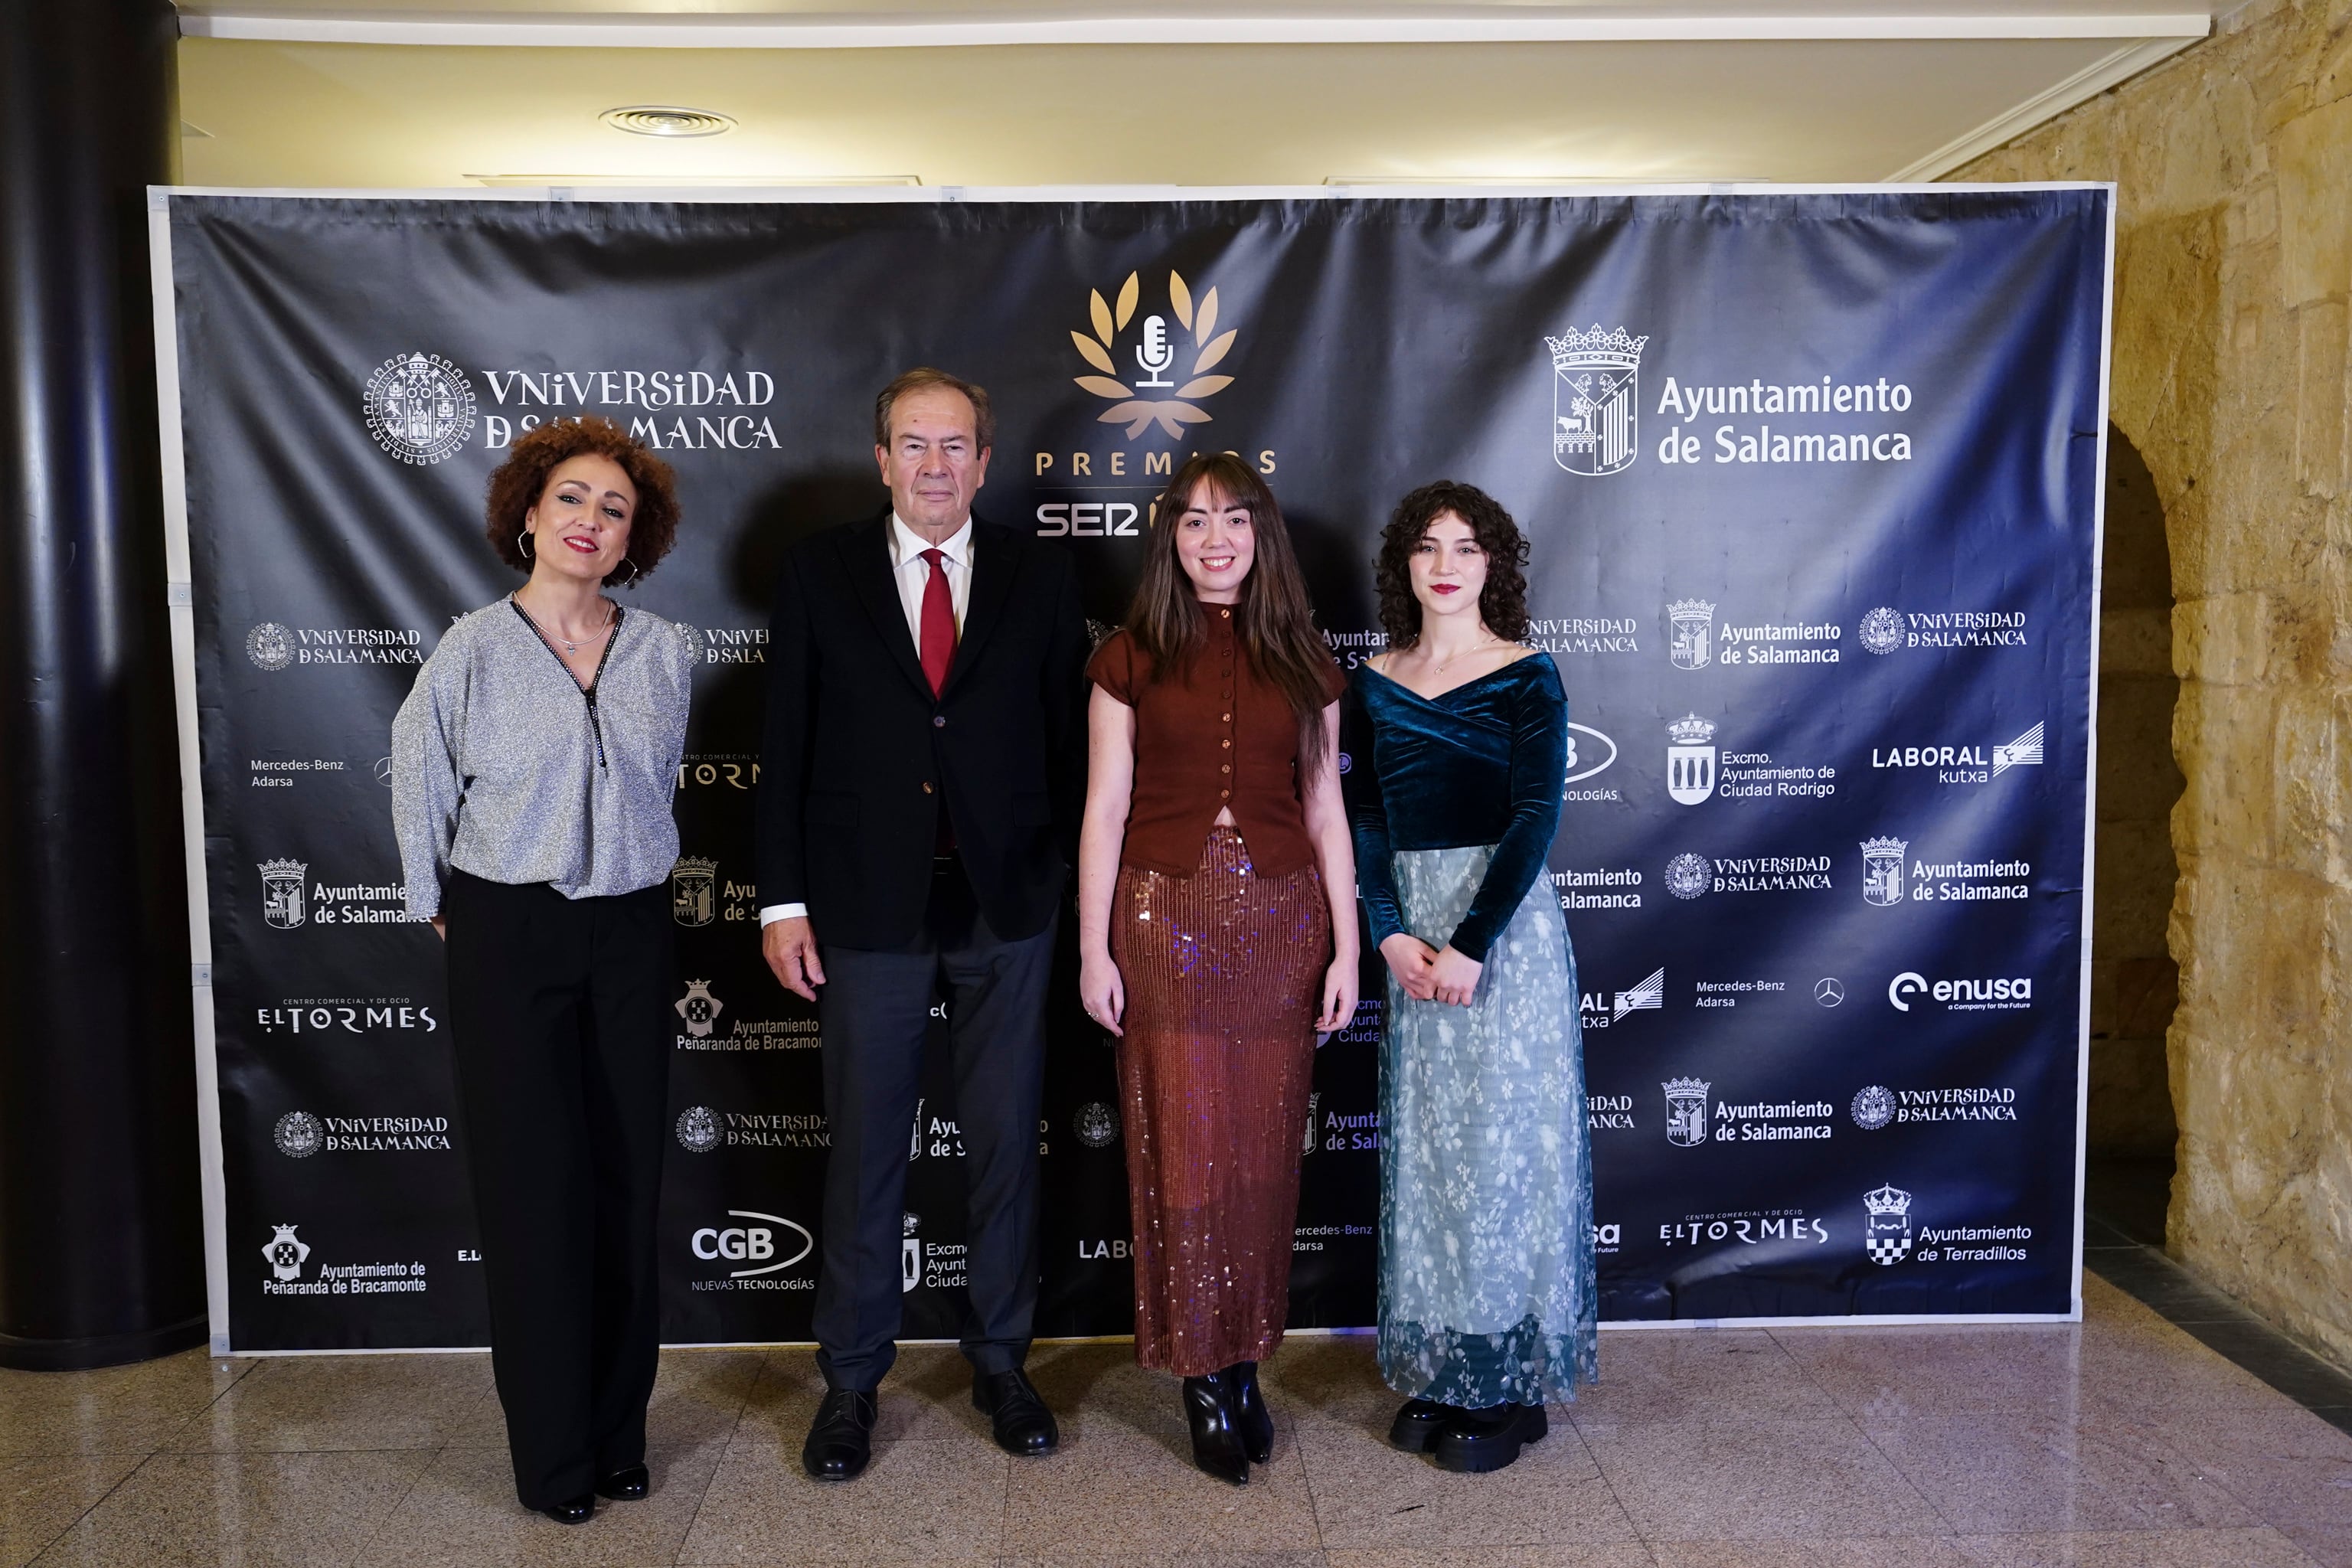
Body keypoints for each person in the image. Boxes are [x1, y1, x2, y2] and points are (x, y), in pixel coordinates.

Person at [756, 368, 1089, 1481]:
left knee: (1005, 1148)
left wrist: (1065, 894)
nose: (935, 465)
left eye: (956, 446)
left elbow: (1068, 750)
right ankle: (851, 1382)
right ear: (883, 458)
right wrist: (784, 900)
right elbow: (786, 753)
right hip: (864, 908)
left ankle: (1002, 1363)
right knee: (864, 1155)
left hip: (1008, 905)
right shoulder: (819, 572)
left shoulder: (1042, 579)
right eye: (915, 444)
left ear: (985, 463)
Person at [390, 415, 694, 1524]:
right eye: (571, 498)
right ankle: (554, 1460)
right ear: (528, 515)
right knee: (533, 1197)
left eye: (614, 509)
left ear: (633, 540)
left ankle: (619, 1437)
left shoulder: (663, 652)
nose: (590, 521)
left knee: (625, 1188)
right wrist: (440, 904)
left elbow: (656, 787)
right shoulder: (470, 648)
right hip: (507, 933)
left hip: (629, 932)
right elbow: (418, 781)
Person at [1076, 453, 1357, 1485]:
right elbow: (1103, 809)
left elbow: (1327, 813)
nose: (1214, 540)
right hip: (1162, 915)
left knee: (1261, 1153)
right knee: (1184, 1154)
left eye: (1233, 521)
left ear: (1262, 535)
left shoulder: (1307, 659)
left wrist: (1346, 949)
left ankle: (1245, 1363)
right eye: (1193, 524)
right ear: (1172, 540)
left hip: (1283, 923)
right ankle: (1200, 1372)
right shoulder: (1129, 655)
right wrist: (1093, 945)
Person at [1346, 480, 1596, 1475]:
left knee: (1504, 1159)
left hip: (1504, 942)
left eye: (1466, 546)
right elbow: (1365, 820)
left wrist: (1472, 943)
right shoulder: (1372, 680)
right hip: (1415, 941)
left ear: (1496, 564)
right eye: (1425, 546)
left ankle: (1507, 1382)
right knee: (1435, 1161)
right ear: (1403, 566)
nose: (1445, 564)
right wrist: (1391, 934)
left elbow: (1536, 817)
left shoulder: (1529, 675)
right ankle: (1450, 1368)